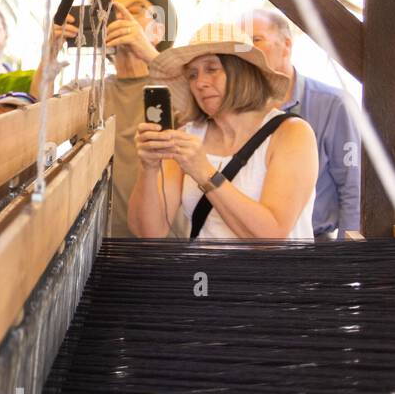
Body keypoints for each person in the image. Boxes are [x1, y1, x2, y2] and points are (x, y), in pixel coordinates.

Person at [129, 23, 318, 240]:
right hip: (206, 274)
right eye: (192, 74)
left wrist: (205, 173)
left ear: (241, 71)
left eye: (212, 69)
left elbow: (272, 236)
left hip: (273, 274)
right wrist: (149, 168)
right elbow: (149, 232)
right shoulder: (188, 135)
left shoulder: (291, 133)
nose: (200, 83)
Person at [34, 0, 179, 237]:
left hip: (164, 252)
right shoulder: (87, 92)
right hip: (98, 252)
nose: (121, 20)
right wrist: (49, 55)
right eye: (110, 14)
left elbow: (196, 104)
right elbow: (38, 124)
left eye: (134, 12)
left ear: (158, 32)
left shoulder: (176, 85)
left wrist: (146, 51)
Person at [243, 9, 360, 239]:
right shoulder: (239, 110)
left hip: (315, 248)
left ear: (286, 44)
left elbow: (353, 187)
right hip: (252, 246)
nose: (247, 50)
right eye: (241, 42)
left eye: (256, 39)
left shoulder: (333, 105)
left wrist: (348, 262)